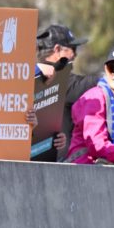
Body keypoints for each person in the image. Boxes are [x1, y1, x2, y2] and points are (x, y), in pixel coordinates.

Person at [36, 24, 92, 157]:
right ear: (57, 49)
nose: (75, 54)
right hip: (56, 167)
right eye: (72, 49)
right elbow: (106, 81)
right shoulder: (64, 81)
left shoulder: (28, 78)